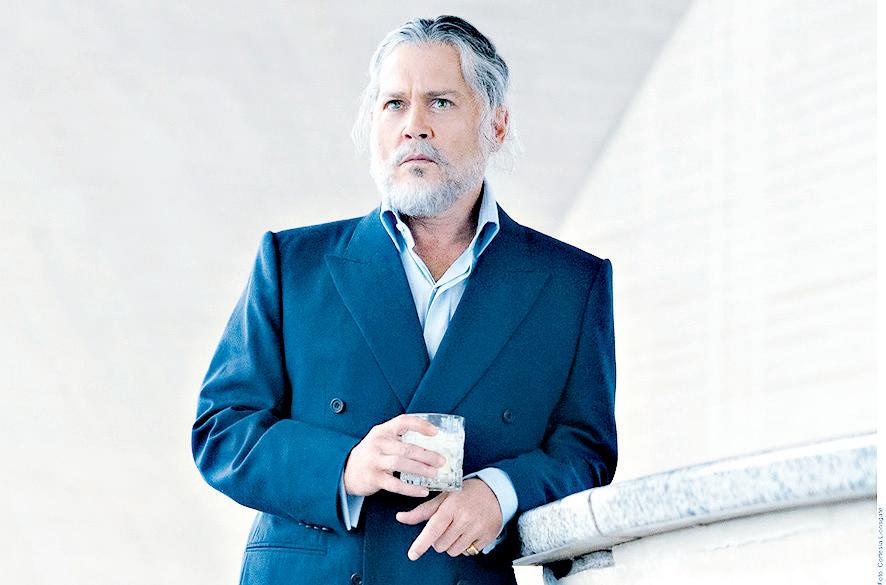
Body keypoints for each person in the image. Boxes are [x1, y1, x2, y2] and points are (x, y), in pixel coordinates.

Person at [192, 15, 617, 585]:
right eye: (394, 104)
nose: (414, 126)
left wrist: (501, 492)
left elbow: (585, 452)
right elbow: (222, 430)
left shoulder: (570, 283)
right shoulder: (293, 264)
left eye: (440, 102)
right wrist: (345, 466)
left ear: (496, 124)